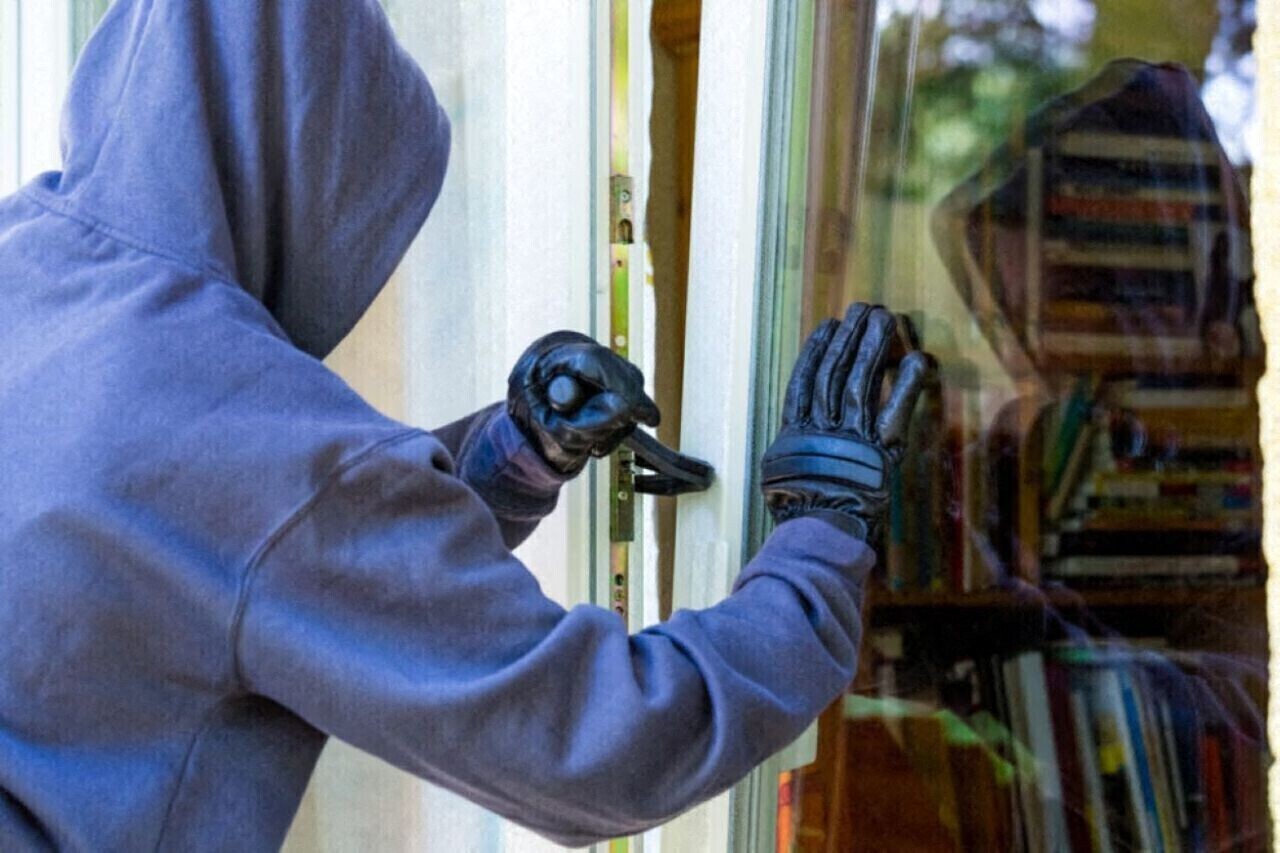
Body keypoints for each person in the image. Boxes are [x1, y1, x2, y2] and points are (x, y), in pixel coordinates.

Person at [0, 2, 927, 850]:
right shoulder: (224, 435)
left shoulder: (26, 264)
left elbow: (249, 567)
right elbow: (609, 747)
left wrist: (513, 452)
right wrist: (822, 533)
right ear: (312, 168)